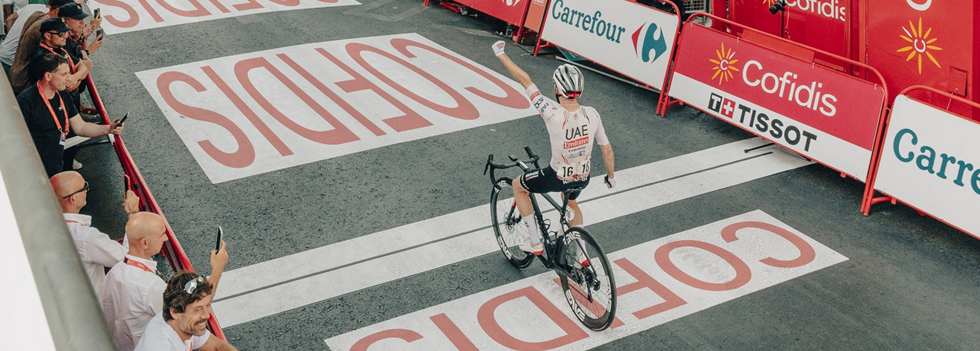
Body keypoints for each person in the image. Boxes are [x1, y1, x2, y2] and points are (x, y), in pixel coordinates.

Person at [491, 40, 616, 256]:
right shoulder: (593, 114)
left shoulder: (550, 112)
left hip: (556, 176)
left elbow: (525, 80)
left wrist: (500, 54)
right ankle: (582, 255)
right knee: (571, 204)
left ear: (557, 89)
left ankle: (534, 243)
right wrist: (610, 177)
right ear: (580, 89)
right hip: (583, 177)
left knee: (518, 186)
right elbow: (607, 150)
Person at [102, 212, 229, 351]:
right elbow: (193, 306)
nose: (166, 238)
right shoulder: (152, 287)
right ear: (145, 243)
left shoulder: (114, 272)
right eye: (162, 234)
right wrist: (217, 269)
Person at [17, 53, 121, 177]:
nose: (68, 78)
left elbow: (80, 127)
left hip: (55, 165)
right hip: (34, 171)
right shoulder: (26, 101)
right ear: (48, 76)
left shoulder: (63, 94)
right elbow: (17, 141)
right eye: (64, 74)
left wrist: (108, 129)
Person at [51, 170, 140, 299]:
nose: (87, 190)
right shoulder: (86, 237)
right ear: (73, 198)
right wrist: (133, 214)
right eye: (84, 187)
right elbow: (127, 258)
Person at [134, 271, 238, 351]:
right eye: (197, 310)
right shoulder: (162, 346)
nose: (206, 315)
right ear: (175, 312)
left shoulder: (184, 324)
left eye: (207, 305)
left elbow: (216, 346)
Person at [0, 0, 69, 75]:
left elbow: (9, 20)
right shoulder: (47, 24)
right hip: (13, 63)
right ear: (57, 11)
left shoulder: (31, 7)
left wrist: (13, 37)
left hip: (3, 52)